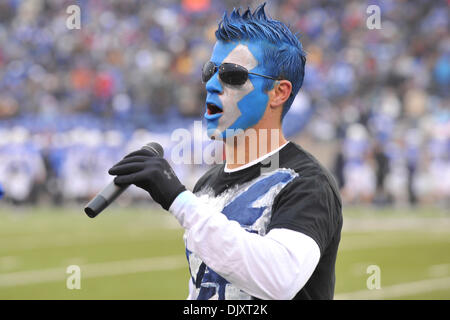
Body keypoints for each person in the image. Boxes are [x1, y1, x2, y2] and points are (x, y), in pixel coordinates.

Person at [108, 4, 342, 300]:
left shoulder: (308, 182)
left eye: (232, 75)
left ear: (279, 92)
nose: (211, 84)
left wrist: (179, 201)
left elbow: (280, 279)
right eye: (210, 71)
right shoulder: (208, 183)